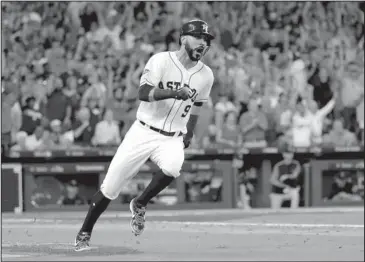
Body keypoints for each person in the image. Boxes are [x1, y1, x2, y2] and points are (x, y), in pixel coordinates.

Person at [74, 19, 215, 251]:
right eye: (199, 38)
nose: (203, 44)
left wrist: (188, 133)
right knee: (111, 186)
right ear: (183, 39)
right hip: (143, 131)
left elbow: (198, 106)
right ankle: (84, 232)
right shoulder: (160, 60)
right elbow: (143, 91)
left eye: (206, 40)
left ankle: (140, 203)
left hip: (171, 136)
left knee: (173, 166)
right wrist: (173, 93)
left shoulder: (206, 75)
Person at [269, 145, 301, 209]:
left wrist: (286, 176)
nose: (290, 155)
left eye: (291, 153)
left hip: (291, 190)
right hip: (278, 191)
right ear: (284, 154)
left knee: (295, 194)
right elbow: (272, 180)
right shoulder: (278, 165)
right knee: (274, 211)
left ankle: (294, 212)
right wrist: (284, 186)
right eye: (288, 153)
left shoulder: (296, 164)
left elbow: (295, 175)